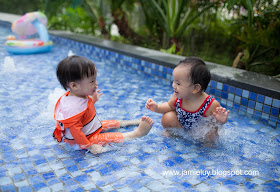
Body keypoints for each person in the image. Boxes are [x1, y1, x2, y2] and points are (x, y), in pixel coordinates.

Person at [53, 55, 153, 154]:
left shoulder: (78, 94)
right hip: (83, 139)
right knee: (106, 137)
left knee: (105, 123)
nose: (96, 84)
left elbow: (84, 112)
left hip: (89, 129)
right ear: (74, 85)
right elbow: (76, 133)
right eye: (92, 81)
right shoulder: (73, 108)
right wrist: (90, 147)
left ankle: (128, 123)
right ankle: (137, 134)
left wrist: (93, 100)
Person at [145, 57, 229, 143]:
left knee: (211, 132)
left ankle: (207, 148)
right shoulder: (178, 96)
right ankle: (175, 135)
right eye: (174, 81)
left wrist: (221, 120)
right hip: (182, 128)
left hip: (200, 134)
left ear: (195, 88)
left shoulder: (210, 104)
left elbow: (217, 123)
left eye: (178, 83)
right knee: (167, 117)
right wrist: (157, 107)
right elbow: (169, 106)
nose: (173, 85)